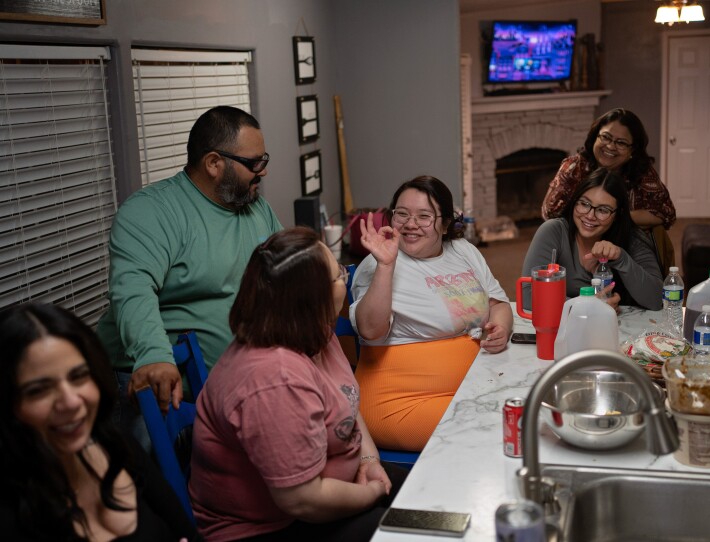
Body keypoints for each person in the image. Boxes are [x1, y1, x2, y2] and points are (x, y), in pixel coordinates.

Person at [189, 227, 407, 541]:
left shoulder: (312, 331)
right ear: (310, 299)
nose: (344, 280)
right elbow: (303, 500)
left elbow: (346, 402)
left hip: (329, 490)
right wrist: (371, 493)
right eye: (338, 277)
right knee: (412, 530)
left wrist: (370, 461)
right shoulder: (274, 380)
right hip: (271, 527)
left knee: (427, 497)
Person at [95, 106, 283, 432]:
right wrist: (154, 356)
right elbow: (133, 289)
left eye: (263, 160)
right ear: (213, 163)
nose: (262, 172)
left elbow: (286, 269)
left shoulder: (256, 209)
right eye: (254, 163)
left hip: (230, 385)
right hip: (149, 380)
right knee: (147, 480)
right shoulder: (151, 212)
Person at [0, 303, 200, 541]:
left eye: (79, 376)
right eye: (39, 390)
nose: (71, 401)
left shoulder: (117, 447)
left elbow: (185, 532)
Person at [351, 176, 513, 452]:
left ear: (446, 223)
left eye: (424, 216)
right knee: (502, 428)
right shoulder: (377, 263)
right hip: (400, 400)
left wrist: (500, 328)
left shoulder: (463, 251)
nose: (410, 224)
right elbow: (370, 330)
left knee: (531, 405)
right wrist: (386, 266)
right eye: (401, 214)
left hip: (470, 384)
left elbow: (499, 304)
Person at [541, 108, 676, 270]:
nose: (610, 146)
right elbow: (550, 212)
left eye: (621, 143)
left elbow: (665, 213)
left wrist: (614, 218)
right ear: (595, 137)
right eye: (605, 137)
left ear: (632, 150)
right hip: (575, 248)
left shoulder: (642, 172)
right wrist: (598, 219)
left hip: (627, 250)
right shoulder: (574, 167)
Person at [523, 168, 663, 312]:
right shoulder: (553, 231)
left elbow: (658, 300)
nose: (590, 216)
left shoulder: (633, 239)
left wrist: (622, 259)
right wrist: (586, 306)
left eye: (603, 210)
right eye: (584, 204)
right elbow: (527, 295)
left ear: (618, 215)